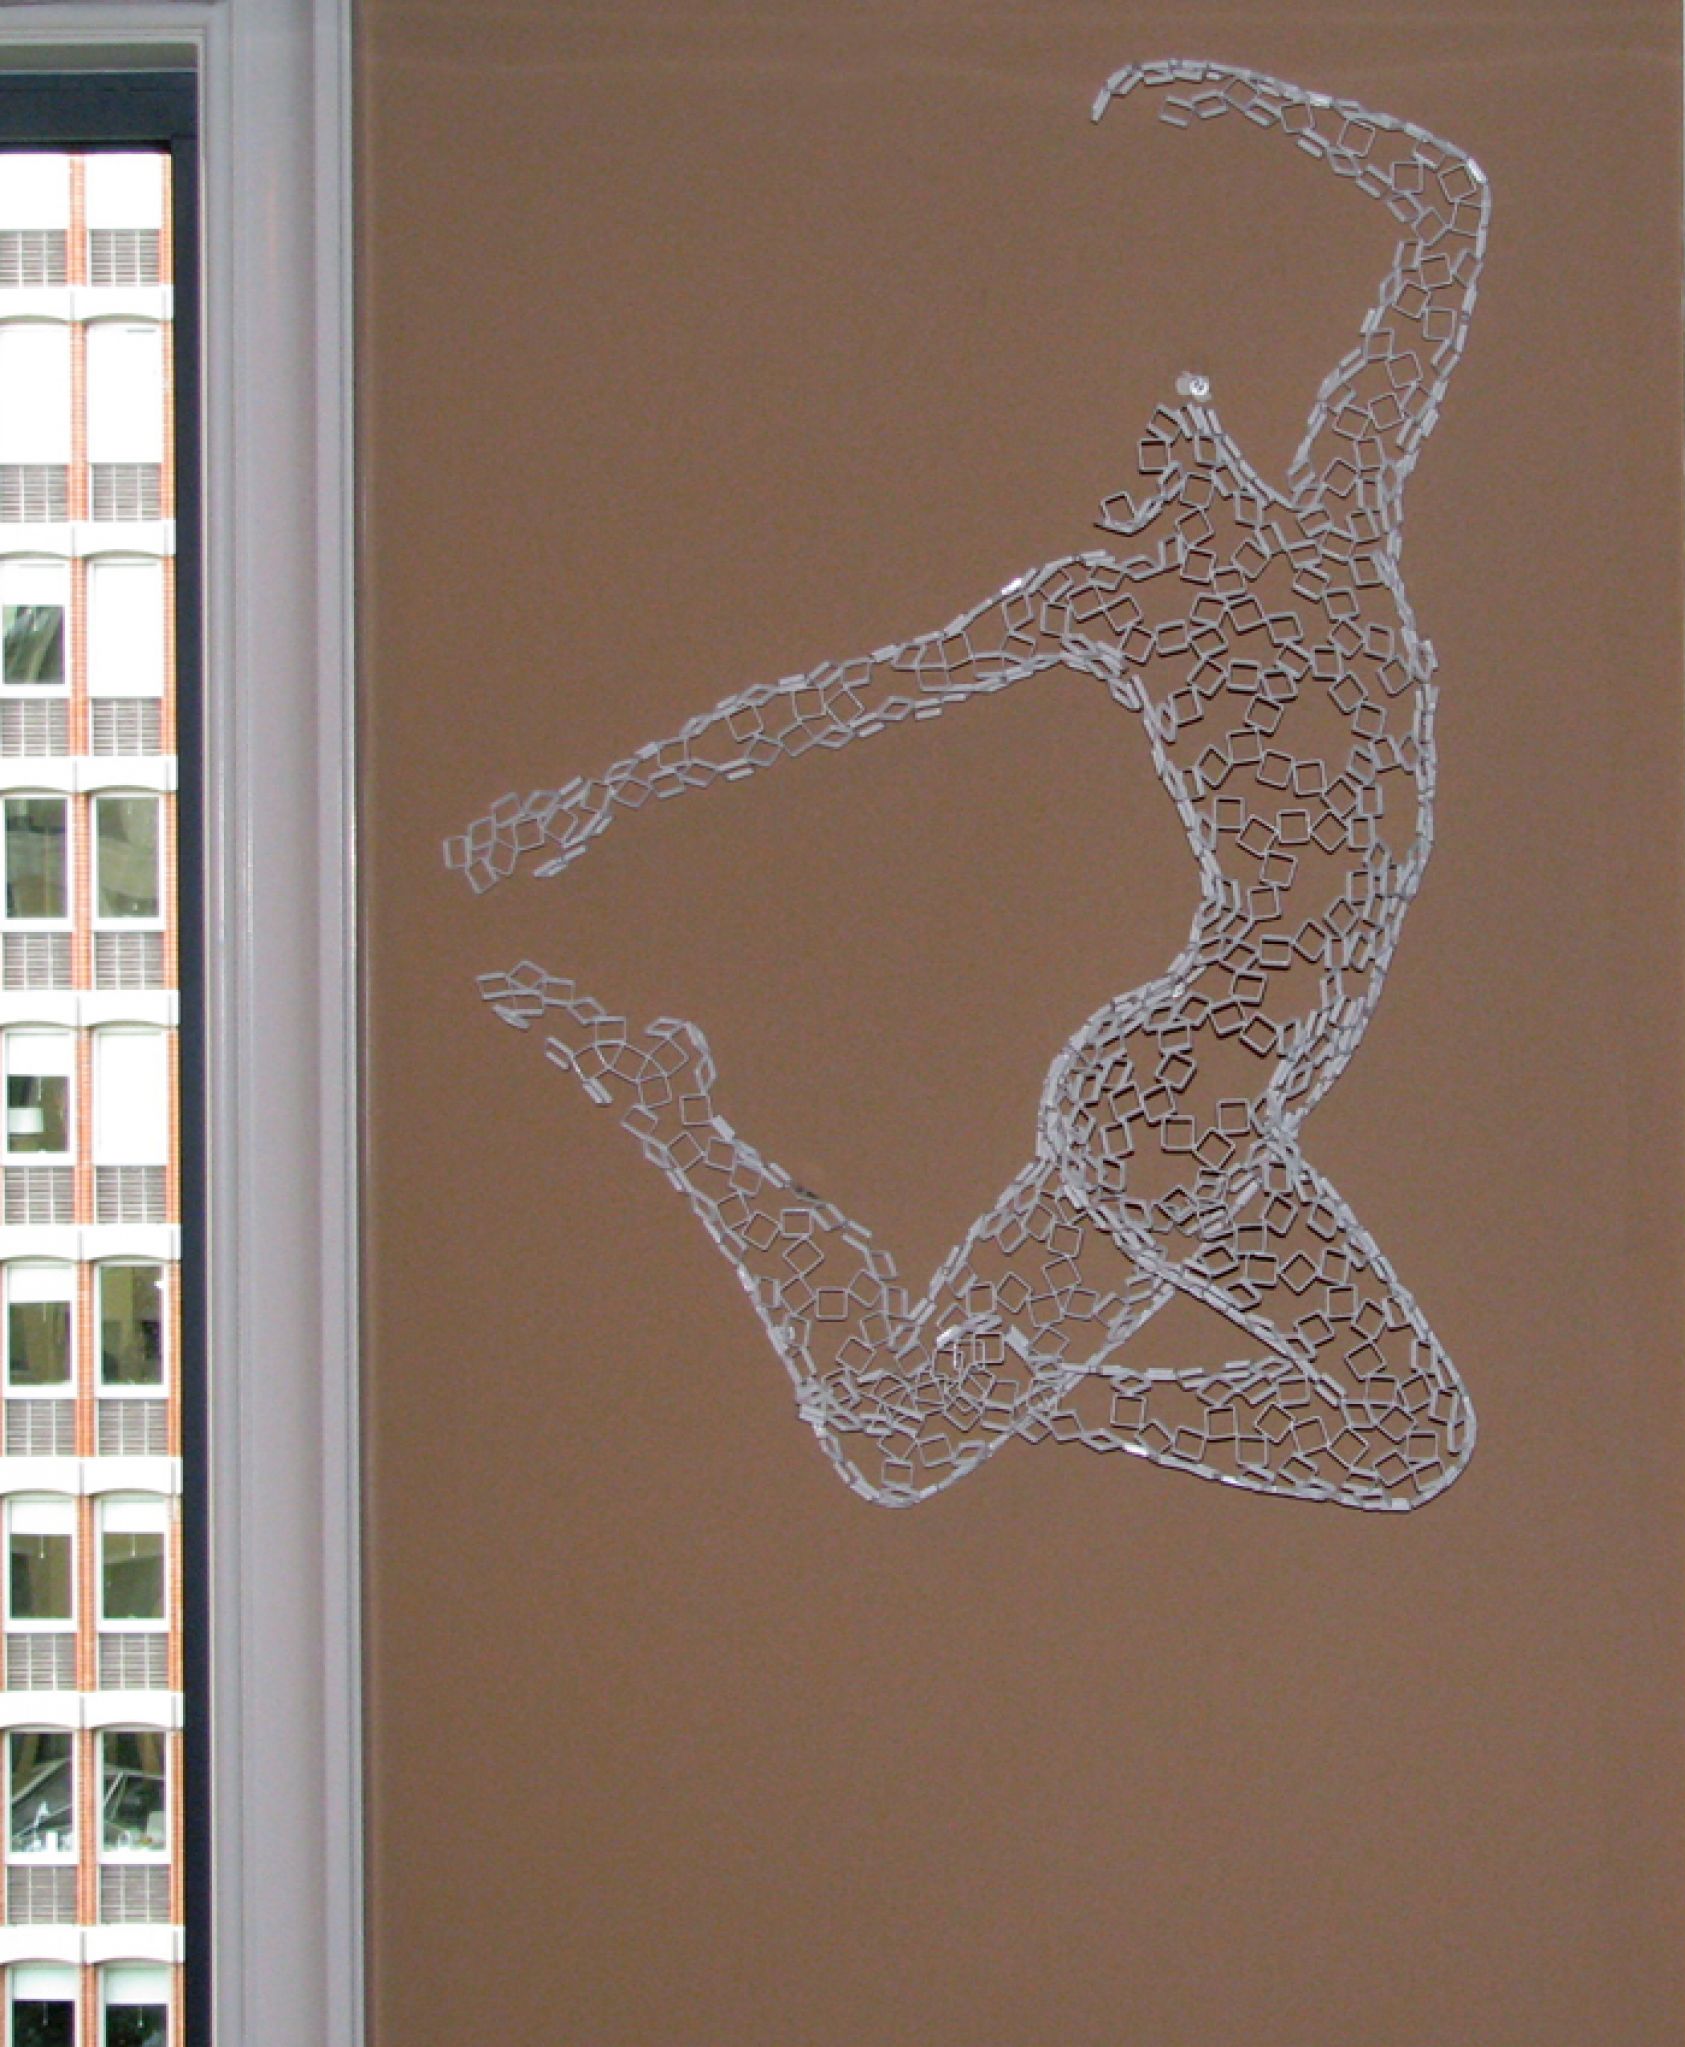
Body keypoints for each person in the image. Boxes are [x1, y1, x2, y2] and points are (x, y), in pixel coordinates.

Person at [446, 60, 1490, 1512]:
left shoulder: (1335, 513)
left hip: (1187, 1093)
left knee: (895, 1435)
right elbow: (833, 702)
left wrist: (1249, 102)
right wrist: (598, 802)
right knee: (1405, 1434)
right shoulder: (1117, 598)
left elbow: (1445, 211)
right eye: (1110, 480)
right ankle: (1029, 1389)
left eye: (1151, 440)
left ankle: (664, 1098)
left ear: (1190, 415)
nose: (1138, 487)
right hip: (1177, 1104)